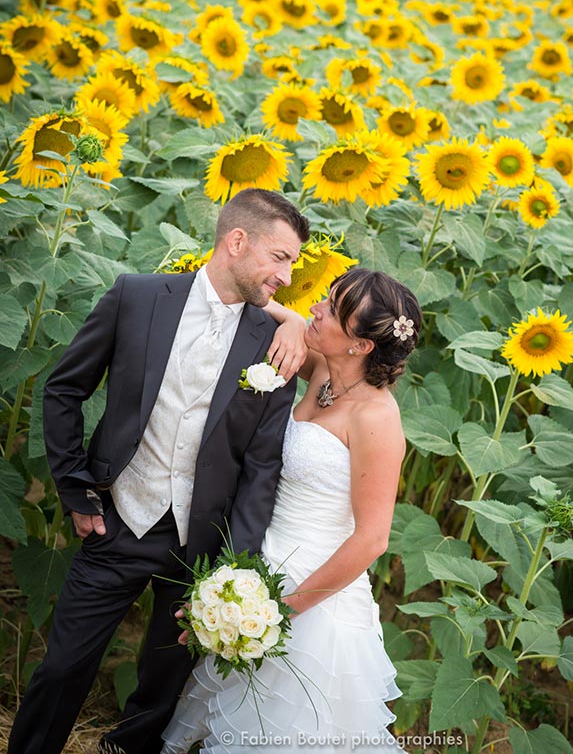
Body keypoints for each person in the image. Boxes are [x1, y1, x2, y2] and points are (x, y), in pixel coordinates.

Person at [8, 189, 311, 754]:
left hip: (201, 546)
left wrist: (233, 568)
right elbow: (64, 389)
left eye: (293, 263)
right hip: (118, 520)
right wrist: (76, 491)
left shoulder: (275, 343)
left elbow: (262, 465)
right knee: (62, 669)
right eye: (280, 257)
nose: (288, 277)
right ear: (236, 241)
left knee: (161, 689)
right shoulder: (136, 297)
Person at [160, 267, 422, 754]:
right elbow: (267, 305)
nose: (316, 309)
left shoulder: (377, 419)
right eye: (326, 297)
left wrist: (281, 611)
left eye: (332, 309)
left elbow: (371, 539)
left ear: (361, 345)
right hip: (262, 557)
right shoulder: (325, 370)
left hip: (315, 588)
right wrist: (288, 325)